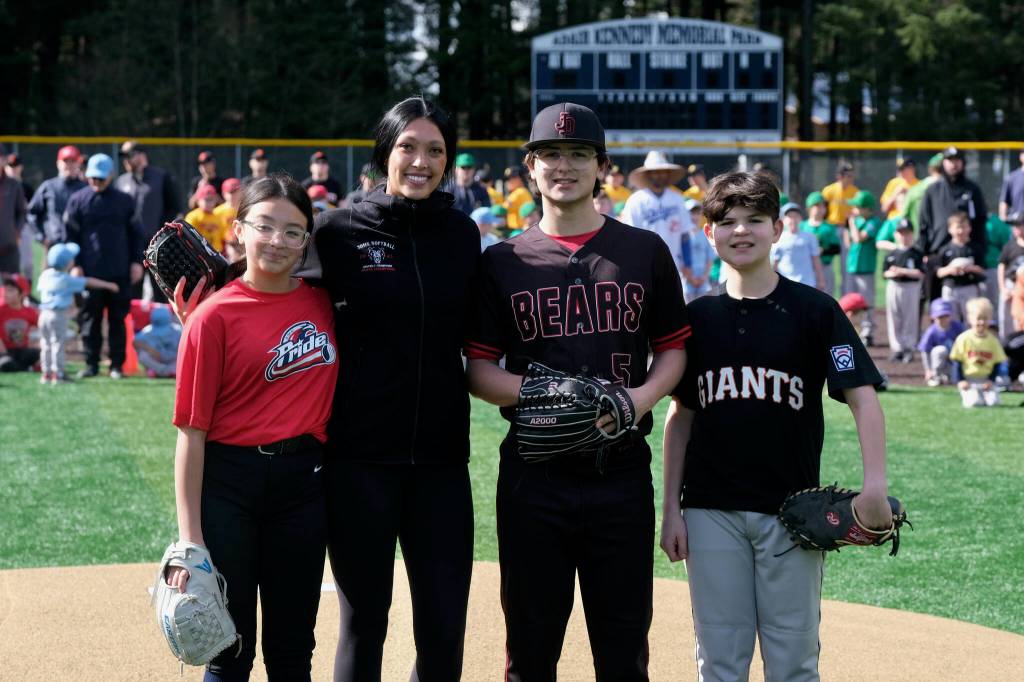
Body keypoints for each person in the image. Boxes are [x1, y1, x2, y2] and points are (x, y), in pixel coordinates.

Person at [465, 102, 689, 681]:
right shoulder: (503, 261)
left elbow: (673, 351)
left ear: (602, 168)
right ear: (530, 169)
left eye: (578, 155)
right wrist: (550, 396)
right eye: (550, 156)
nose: (563, 166)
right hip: (533, 476)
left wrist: (638, 399)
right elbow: (479, 369)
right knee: (530, 648)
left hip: (620, 474)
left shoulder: (643, 251)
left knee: (623, 649)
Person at [661, 170, 890, 682]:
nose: (740, 231)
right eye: (727, 221)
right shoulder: (695, 320)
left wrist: (875, 485)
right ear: (708, 232)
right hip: (709, 509)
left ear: (777, 229)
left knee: (793, 659)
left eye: (755, 220)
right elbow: (680, 417)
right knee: (719, 656)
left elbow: (863, 399)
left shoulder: (814, 312)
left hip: (792, 512)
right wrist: (670, 512)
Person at [297, 96, 480, 682]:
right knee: (363, 623)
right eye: (408, 146)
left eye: (435, 150)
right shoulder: (339, 230)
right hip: (359, 465)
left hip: (441, 465)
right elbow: (277, 296)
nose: (421, 161)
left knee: (444, 630)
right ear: (385, 152)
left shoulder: (462, 234)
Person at [167, 173, 337, 680]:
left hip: (304, 487)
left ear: (307, 240)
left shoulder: (325, 304)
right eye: (264, 226)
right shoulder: (210, 318)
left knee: (292, 650)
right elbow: (190, 434)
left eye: (293, 231)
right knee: (228, 647)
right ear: (238, 230)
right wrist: (189, 541)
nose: (278, 241)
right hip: (230, 487)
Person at [64, 153, 145, 379]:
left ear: (111, 175)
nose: (95, 182)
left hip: (120, 270)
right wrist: (76, 264)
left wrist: (137, 262)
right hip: (89, 272)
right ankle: (91, 363)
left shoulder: (124, 201)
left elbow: (136, 235)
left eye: (100, 178)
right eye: (92, 178)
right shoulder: (78, 200)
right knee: (90, 319)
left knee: (118, 319)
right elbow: (70, 236)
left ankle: (116, 365)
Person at [36, 242, 119, 384]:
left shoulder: (45, 275)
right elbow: (88, 282)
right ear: (68, 263)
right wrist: (108, 285)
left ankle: (46, 374)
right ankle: (58, 374)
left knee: (46, 344)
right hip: (58, 315)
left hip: (43, 314)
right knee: (57, 344)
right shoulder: (66, 280)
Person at [918, 146, 988, 303]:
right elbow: (924, 223)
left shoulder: (972, 189)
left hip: (967, 252)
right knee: (938, 306)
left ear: (962, 163)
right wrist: (922, 251)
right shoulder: (932, 190)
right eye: (949, 160)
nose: (953, 164)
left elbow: (981, 221)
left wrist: (980, 248)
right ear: (943, 163)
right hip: (938, 253)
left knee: (970, 306)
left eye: (957, 160)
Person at [115, 140, 182, 301]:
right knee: (131, 295)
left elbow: (175, 209)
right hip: (131, 248)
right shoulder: (121, 182)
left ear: (142, 155)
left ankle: (163, 326)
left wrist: (164, 238)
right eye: (123, 157)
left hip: (157, 247)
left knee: (161, 293)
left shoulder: (161, 177)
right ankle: (134, 326)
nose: (126, 160)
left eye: (129, 155)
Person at [620, 150, 694, 281]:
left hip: (674, 262)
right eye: (655, 171)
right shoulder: (636, 200)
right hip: (644, 263)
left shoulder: (677, 198)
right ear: (648, 174)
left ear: (668, 174)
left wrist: (688, 263)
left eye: (663, 171)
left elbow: (685, 235)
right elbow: (628, 237)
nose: (660, 175)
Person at [27, 145, 86, 252]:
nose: (69, 165)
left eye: (72, 161)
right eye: (65, 161)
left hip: (79, 247)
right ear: (58, 163)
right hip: (53, 246)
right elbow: (31, 213)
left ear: (78, 163)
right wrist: (41, 237)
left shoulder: (85, 189)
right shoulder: (49, 186)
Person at [950, 297, 1008, 407]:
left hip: (986, 379)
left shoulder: (993, 340)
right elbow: (957, 362)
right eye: (978, 318)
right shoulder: (964, 338)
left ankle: (985, 395)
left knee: (994, 403)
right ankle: (973, 395)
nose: (981, 322)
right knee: (974, 403)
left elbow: (997, 363)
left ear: (990, 319)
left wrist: (991, 380)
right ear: (970, 319)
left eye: (985, 319)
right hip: (969, 380)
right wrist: (960, 380)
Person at [882, 219, 925, 362]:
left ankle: (909, 347)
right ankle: (897, 347)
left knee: (910, 317)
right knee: (894, 316)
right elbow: (885, 272)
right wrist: (893, 273)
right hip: (894, 285)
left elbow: (920, 273)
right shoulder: (891, 253)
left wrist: (903, 271)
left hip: (911, 287)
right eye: (901, 233)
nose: (904, 236)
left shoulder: (916, 253)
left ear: (912, 234)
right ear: (895, 234)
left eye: (907, 233)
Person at [845, 190, 882, 345]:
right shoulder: (859, 221)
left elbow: (859, 239)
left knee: (866, 302)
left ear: (867, 208)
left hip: (866, 267)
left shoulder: (873, 222)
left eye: (858, 207)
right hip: (852, 266)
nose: (855, 210)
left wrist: (852, 224)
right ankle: (850, 329)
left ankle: (867, 332)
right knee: (850, 301)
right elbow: (849, 243)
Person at [936, 211, 986, 321]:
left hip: (970, 287)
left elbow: (982, 270)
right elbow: (938, 272)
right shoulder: (945, 250)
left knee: (971, 319)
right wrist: (950, 269)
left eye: (964, 227)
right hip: (951, 287)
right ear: (950, 229)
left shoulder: (975, 248)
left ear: (969, 228)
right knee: (952, 320)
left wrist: (969, 268)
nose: (961, 231)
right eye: (957, 227)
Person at [771, 201, 825, 289]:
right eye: (790, 216)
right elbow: (775, 263)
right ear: (783, 220)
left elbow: (816, 260)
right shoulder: (778, 238)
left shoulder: (810, 237)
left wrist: (821, 280)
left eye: (796, 216)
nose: (793, 219)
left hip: (807, 283)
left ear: (800, 218)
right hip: (786, 284)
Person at [917, 299, 966, 387]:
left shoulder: (957, 327)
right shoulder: (931, 331)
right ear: (933, 317)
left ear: (950, 315)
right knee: (940, 350)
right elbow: (925, 351)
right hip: (937, 362)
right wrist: (928, 370)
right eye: (940, 317)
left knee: (955, 381)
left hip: (954, 361)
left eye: (946, 316)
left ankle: (949, 376)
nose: (943, 319)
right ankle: (936, 376)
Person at [801, 191, 840, 297]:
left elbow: (836, 248)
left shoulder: (829, 227)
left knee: (826, 297)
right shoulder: (802, 226)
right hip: (806, 268)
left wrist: (823, 251)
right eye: (817, 206)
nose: (821, 209)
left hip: (825, 266)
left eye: (823, 206)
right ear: (809, 208)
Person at [0, 274, 40, 374]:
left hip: (21, 351)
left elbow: (44, 327)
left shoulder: (29, 312)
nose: (5, 293)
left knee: (43, 355)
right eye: (5, 289)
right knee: (6, 363)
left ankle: (23, 367)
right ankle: (27, 369)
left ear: (22, 294)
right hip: (4, 352)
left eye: (11, 290)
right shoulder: (1, 309)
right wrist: (3, 352)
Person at [0, 144, 27, 276]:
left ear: (4, 160)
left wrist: (16, 231)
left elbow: (21, 212)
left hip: (8, 249)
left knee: (10, 287)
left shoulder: (13, 184)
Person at [133, 305, 180, 377]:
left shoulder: (178, 330)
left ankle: (161, 372)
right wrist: (148, 348)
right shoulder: (148, 330)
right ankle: (165, 371)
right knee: (143, 355)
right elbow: (135, 342)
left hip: (173, 360)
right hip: (158, 361)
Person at [998, 212, 1024, 340]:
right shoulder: (1009, 246)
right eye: (1014, 226)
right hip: (1011, 285)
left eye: (1019, 225)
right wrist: (1003, 288)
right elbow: (1001, 267)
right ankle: (1007, 348)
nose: (1016, 229)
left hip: (1022, 289)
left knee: (1020, 321)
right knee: (1006, 320)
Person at [682, 198, 715, 302]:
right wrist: (690, 278)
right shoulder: (681, 236)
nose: (694, 216)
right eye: (691, 213)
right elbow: (679, 260)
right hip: (687, 282)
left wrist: (704, 276)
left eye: (697, 213)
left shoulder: (705, 235)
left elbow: (709, 258)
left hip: (703, 282)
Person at [184, 184, 229, 253]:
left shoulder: (218, 216)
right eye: (206, 200)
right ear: (198, 200)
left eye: (211, 199)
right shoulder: (193, 216)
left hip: (216, 252)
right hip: (200, 252)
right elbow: (188, 235)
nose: (209, 203)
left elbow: (222, 238)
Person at [502, 164, 533, 231]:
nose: (508, 181)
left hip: (519, 230)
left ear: (519, 179)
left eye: (511, 178)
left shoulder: (519, 192)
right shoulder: (522, 191)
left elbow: (501, 211)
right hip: (522, 229)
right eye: (507, 179)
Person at [998, 147, 1024, 221]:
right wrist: (1004, 218)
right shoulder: (1012, 177)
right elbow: (1004, 200)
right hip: (1017, 222)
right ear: (1021, 156)